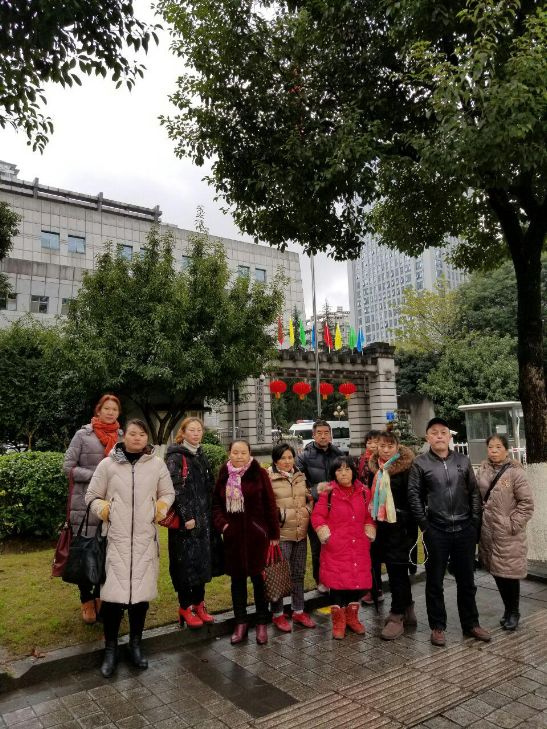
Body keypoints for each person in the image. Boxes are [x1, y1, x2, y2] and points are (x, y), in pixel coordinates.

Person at [85, 419, 175, 678]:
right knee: (112, 600)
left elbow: (168, 493)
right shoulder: (108, 464)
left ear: (147, 438)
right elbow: (91, 496)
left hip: (145, 540)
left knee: (140, 600)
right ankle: (110, 649)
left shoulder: (156, 464)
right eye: (133, 433)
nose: (137, 438)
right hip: (116, 540)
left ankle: (136, 645)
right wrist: (105, 510)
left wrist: (159, 508)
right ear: (124, 436)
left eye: (142, 434)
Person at [408, 417, 490, 647]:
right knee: (435, 581)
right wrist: (426, 526)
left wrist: (474, 522)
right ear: (428, 437)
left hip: (464, 529)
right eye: (434, 432)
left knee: (467, 580)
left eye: (443, 432)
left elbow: (474, 493)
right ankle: (437, 626)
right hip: (437, 530)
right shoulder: (420, 463)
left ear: (449, 436)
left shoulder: (462, 460)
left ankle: (471, 623)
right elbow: (414, 496)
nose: (439, 436)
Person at [212, 440, 280, 645]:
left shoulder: (259, 473)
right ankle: (240, 622)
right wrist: (224, 526)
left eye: (243, 452)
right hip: (233, 539)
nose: (239, 456)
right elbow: (216, 505)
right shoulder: (224, 474)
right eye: (235, 452)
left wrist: (273, 534)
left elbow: (270, 504)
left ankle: (261, 622)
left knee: (260, 582)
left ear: (249, 454)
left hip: (257, 537)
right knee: (238, 582)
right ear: (229, 453)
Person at [63, 393, 122, 624]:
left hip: (112, 505)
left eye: (114, 409)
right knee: (85, 551)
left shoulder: (121, 436)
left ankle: (100, 596)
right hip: (85, 504)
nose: (110, 412)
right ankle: (86, 599)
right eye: (106, 408)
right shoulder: (83, 435)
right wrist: (97, 475)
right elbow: (68, 467)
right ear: (98, 410)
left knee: (106, 553)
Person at [311, 456, 376, 640]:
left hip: (358, 546)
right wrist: (325, 534)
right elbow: (318, 516)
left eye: (347, 469)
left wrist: (369, 530)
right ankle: (339, 622)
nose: (343, 473)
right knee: (337, 586)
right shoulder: (328, 493)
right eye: (339, 470)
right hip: (336, 547)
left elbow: (369, 516)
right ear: (334, 474)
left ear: (353, 472)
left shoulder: (364, 492)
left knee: (356, 583)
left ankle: (352, 618)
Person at [477, 434, 534, 631]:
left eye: (498, 447)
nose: (494, 451)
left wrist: (512, 524)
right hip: (488, 532)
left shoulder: (515, 473)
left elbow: (527, 504)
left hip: (508, 534)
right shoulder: (483, 471)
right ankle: (508, 609)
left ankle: (514, 612)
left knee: (509, 574)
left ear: (506, 450)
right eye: (490, 447)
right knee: (497, 573)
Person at [165, 417, 216, 629]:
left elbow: (209, 486)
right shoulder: (176, 456)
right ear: (183, 432)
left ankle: (199, 604)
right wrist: (187, 516)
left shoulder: (200, 454)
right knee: (185, 566)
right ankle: (185, 607)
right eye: (192, 430)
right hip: (185, 524)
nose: (196, 433)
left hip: (203, 521)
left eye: (199, 430)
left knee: (202, 563)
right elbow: (175, 489)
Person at [369, 431, 417, 640]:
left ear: (397, 447)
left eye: (390, 446)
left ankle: (397, 614)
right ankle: (408, 608)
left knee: (397, 569)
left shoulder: (406, 468)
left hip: (401, 527)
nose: (386, 450)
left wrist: (405, 521)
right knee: (392, 568)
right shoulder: (376, 468)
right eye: (382, 446)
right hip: (381, 527)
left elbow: (414, 498)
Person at [268, 443, 316, 632]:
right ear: (275, 460)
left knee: (298, 573)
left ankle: (298, 610)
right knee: (279, 575)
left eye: (290, 457)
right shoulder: (269, 478)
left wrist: (307, 511)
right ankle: (278, 614)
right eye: (283, 458)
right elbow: (266, 506)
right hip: (281, 535)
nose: (287, 461)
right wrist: (281, 516)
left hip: (300, 533)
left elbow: (308, 497)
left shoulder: (299, 476)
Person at [296, 420, 343, 592]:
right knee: (317, 546)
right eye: (319, 433)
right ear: (313, 435)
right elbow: (299, 481)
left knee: (336, 545)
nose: (323, 436)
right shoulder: (304, 456)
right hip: (316, 508)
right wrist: (317, 492)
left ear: (330, 435)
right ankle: (320, 580)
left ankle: (337, 576)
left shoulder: (338, 453)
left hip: (337, 507)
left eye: (326, 433)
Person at [357, 429, 384, 606]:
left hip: (381, 510)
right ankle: (371, 588)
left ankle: (377, 588)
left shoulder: (384, 462)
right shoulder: (360, 461)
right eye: (369, 442)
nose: (372, 445)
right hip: (364, 510)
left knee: (378, 551)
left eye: (376, 442)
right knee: (367, 551)